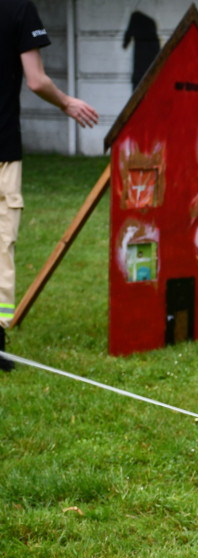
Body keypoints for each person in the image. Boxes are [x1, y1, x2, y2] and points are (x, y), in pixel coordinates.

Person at [1, 0, 98, 371]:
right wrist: (67, 102)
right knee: (1, 242)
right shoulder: (19, 8)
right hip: (2, 149)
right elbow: (36, 79)